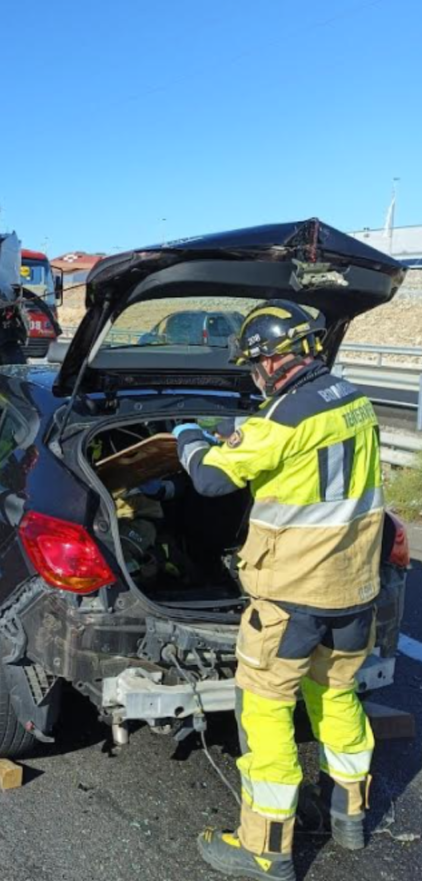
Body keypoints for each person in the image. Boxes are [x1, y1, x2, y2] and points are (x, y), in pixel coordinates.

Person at [172, 300, 383, 881]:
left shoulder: (282, 420)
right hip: (354, 591)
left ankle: (264, 849)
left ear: (270, 360)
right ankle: (349, 815)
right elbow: (301, 459)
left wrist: (188, 436)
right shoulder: (354, 401)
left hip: (293, 602)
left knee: (265, 716)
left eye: (253, 364)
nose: (253, 375)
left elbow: (210, 478)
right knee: (337, 697)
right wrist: (238, 434)